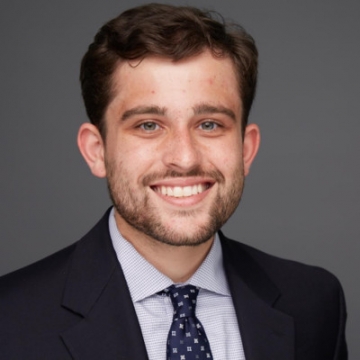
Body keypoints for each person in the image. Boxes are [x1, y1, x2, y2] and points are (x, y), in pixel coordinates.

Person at [0, 3, 347, 360]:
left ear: (246, 149)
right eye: (148, 125)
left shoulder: (314, 303)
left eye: (210, 124)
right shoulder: (9, 321)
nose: (184, 158)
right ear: (96, 151)